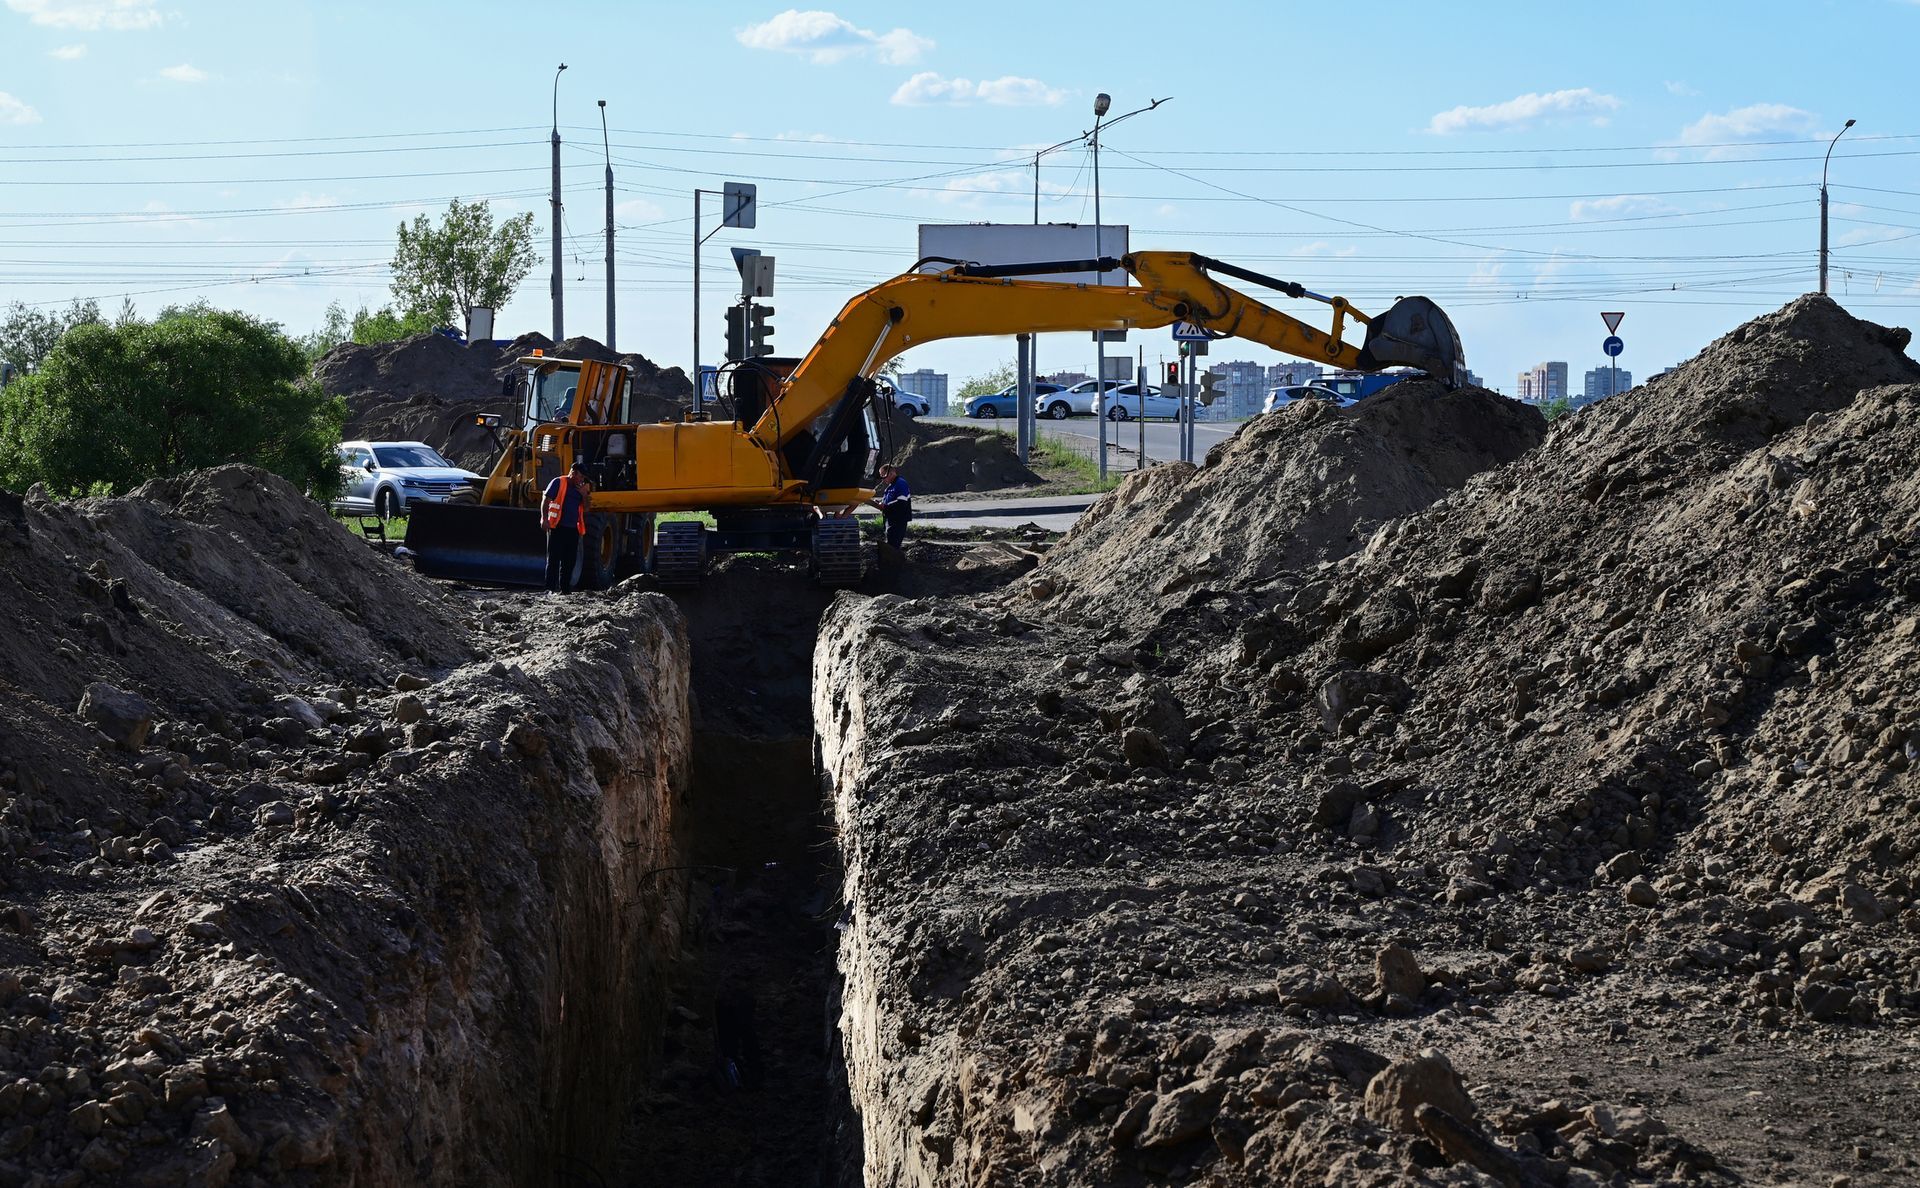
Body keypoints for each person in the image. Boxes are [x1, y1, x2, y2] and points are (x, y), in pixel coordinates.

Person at [540, 459, 593, 594]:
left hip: (572, 529)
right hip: (556, 527)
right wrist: (544, 519)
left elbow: (586, 508)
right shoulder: (558, 482)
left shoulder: (582, 488)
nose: (582, 480)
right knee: (553, 559)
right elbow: (545, 501)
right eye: (581, 476)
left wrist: (583, 495)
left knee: (569, 561)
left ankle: (565, 590)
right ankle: (550, 589)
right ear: (573, 473)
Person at [872, 463, 912, 552]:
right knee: (891, 543)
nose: (882, 479)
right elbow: (890, 501)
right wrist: (881, 503)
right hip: (891, 519)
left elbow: (902, 503)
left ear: (891, 473)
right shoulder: (891, 486)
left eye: (883, 476)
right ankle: (892, 561)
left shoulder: (900, 483)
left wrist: (885, 506)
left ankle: (894, 563)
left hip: (898, 520)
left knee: (893, 545)